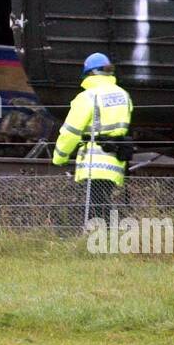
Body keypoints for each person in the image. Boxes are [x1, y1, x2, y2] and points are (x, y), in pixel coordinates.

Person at [51, 52, 133, 225]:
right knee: (102, 202)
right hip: (116, 159)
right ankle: (105, 241)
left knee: (96, 207)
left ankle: (100, 243)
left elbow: (70, 132)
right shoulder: (123, 95)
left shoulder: (87, 97)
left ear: (90, 74)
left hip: (94, 163)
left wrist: (60, 157)